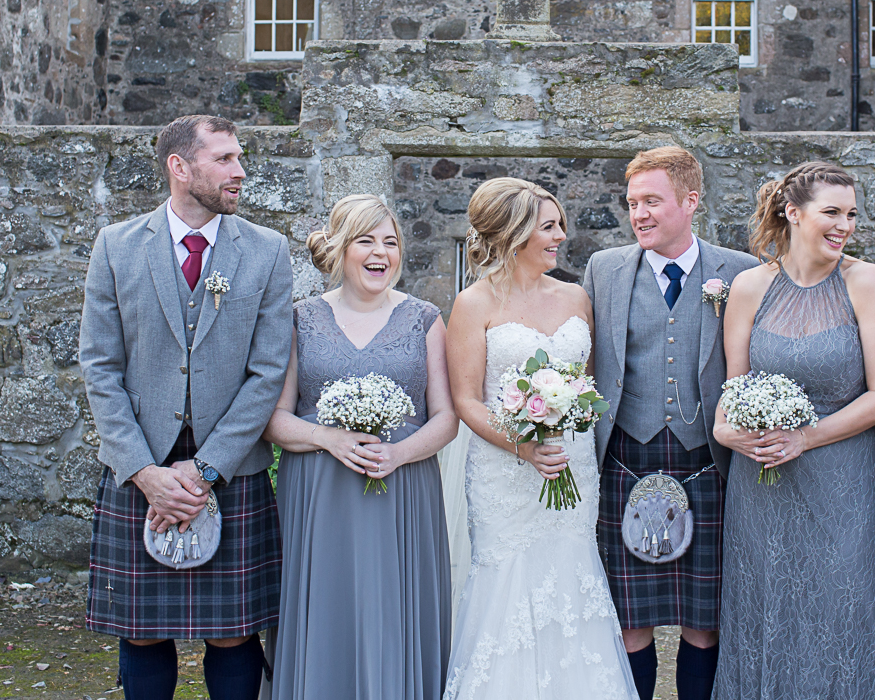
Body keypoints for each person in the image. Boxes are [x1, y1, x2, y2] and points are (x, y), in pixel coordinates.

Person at [80, 114, 292, 700]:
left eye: (239, 157)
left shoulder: (268, 252)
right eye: (223, 159)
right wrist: (147, 474)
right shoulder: (117, 247)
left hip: (230, 471)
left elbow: (268, 372)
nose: (239, 171)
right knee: (143, 633)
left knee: (232, 633)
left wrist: (203, 471)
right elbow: (99, 368)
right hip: (138, 469)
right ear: (180, 167)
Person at [711, 162, 875, 700]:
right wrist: (728, 432)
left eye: (851, 215)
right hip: (762, 487)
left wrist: (806, 437)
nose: (844, 226)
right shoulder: (749, 286)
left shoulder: (865, 281)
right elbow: (734, 388)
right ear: (792, 213)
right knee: (764, 616)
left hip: (845, 483)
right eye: (831, 213)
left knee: (844, 616)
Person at [443, 177, 638, 700]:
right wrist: (522, 446)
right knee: (507, 582)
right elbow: (466, 400)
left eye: (559, 225)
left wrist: (560, 430)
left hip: (572, 468)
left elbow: (588, 388)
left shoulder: (577, 297)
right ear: (514, 232)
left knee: (572, 570)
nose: (560, 236)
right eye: (549, 227)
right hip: (504, 475)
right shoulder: (473, 304)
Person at [265, 194, 457, 700]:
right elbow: (275, 421)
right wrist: (327, 438)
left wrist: (400, 453)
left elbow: (447, 419)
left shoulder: (424, 318)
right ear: (340, 249)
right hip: (319, 495)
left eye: (390, 242)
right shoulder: (300, 318)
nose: (381, 252)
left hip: (404, 489)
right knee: (325, 609)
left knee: (395, 610)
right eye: (366, 240)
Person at [583, 147, 758, 700]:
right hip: (624, 456)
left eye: (652, 201)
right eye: (633, 203)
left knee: (702, 619)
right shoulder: (604, 269)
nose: (639, 214)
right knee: (629, 616)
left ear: (690, 201)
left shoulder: (740, 270)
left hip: (707, 459)